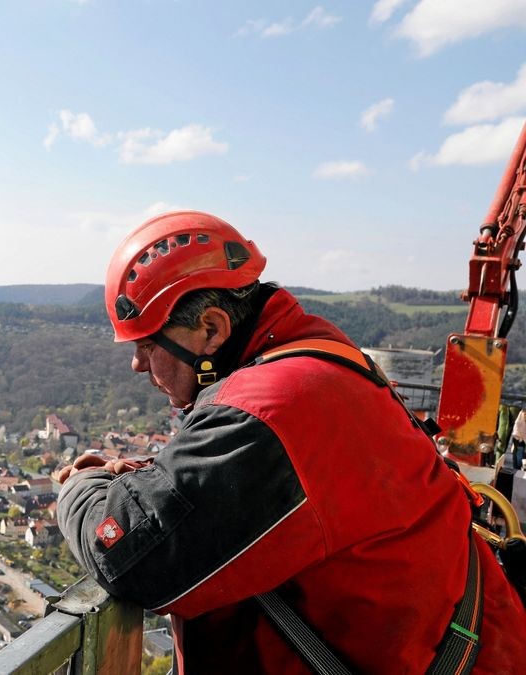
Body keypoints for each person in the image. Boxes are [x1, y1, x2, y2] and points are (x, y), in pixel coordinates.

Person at [54, 211, 526, 673]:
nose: (138, 365)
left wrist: (81, 486)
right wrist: (148, 477)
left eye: (147, 345)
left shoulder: (272, 408)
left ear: (212, 329)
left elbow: (126, 556)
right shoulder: (315, 358)